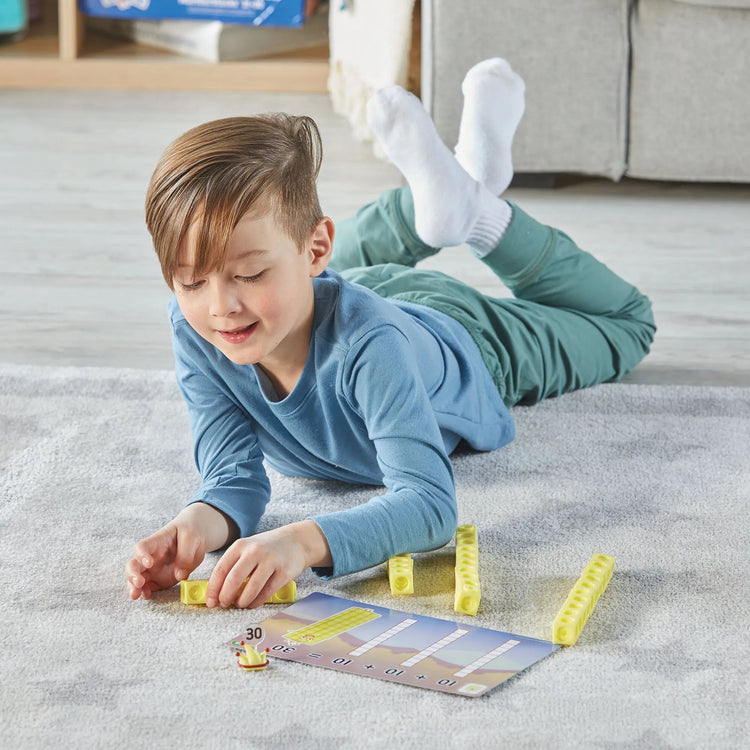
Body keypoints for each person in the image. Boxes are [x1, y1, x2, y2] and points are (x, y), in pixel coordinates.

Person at [125, 59, 655, 609]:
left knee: (628, 325)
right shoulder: (199, 328)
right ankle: (438, 198)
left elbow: (429, 504)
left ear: (317, 251)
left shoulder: (369, 347)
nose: (220, 307)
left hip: (469, 338)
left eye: (248, 275)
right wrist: (192, 526)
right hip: (338, 292)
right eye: (190, 280)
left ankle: (477, 213)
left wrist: (302, 541)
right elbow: (232, 476)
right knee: (283, 257)